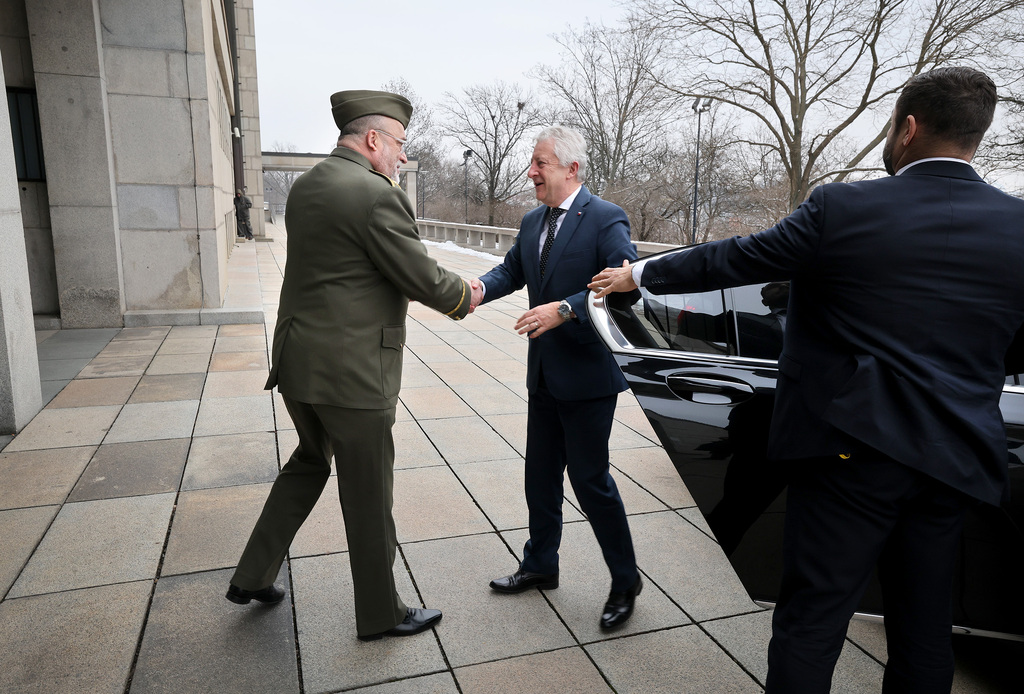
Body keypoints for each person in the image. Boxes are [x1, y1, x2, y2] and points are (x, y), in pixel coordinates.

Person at [590, 67, 1024, 692]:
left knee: (812, 620)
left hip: (851, 455)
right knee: (925, 628)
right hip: (954, 460)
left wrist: (642, 276)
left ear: (908, 127)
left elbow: (736, 256)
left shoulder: (846, 208)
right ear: (977, 136)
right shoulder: (1017, 228)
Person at [226, 89, 480, 642]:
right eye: (400, 145)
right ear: (373, 139)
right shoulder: (374, 195)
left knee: (309, 462)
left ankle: (253, 574)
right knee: (368, 495)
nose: (403, 158)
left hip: (298, 363)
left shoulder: (310, 185)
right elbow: (418, 276)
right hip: (354, 374)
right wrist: (467, 292)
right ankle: (381, 614)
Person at [470, 126, 642, 630]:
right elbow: (512, 270)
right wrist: (476, 289)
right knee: (539, 477)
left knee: (591, 482)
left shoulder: (606, 218)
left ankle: (625, 579)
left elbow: (623, 287)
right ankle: (541, 565)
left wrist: (566, 310)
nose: (531, 173)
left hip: (588, 378)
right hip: (543, 373)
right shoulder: (531, 221)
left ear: (572, 169)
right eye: (532, 163)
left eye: (540, 164)